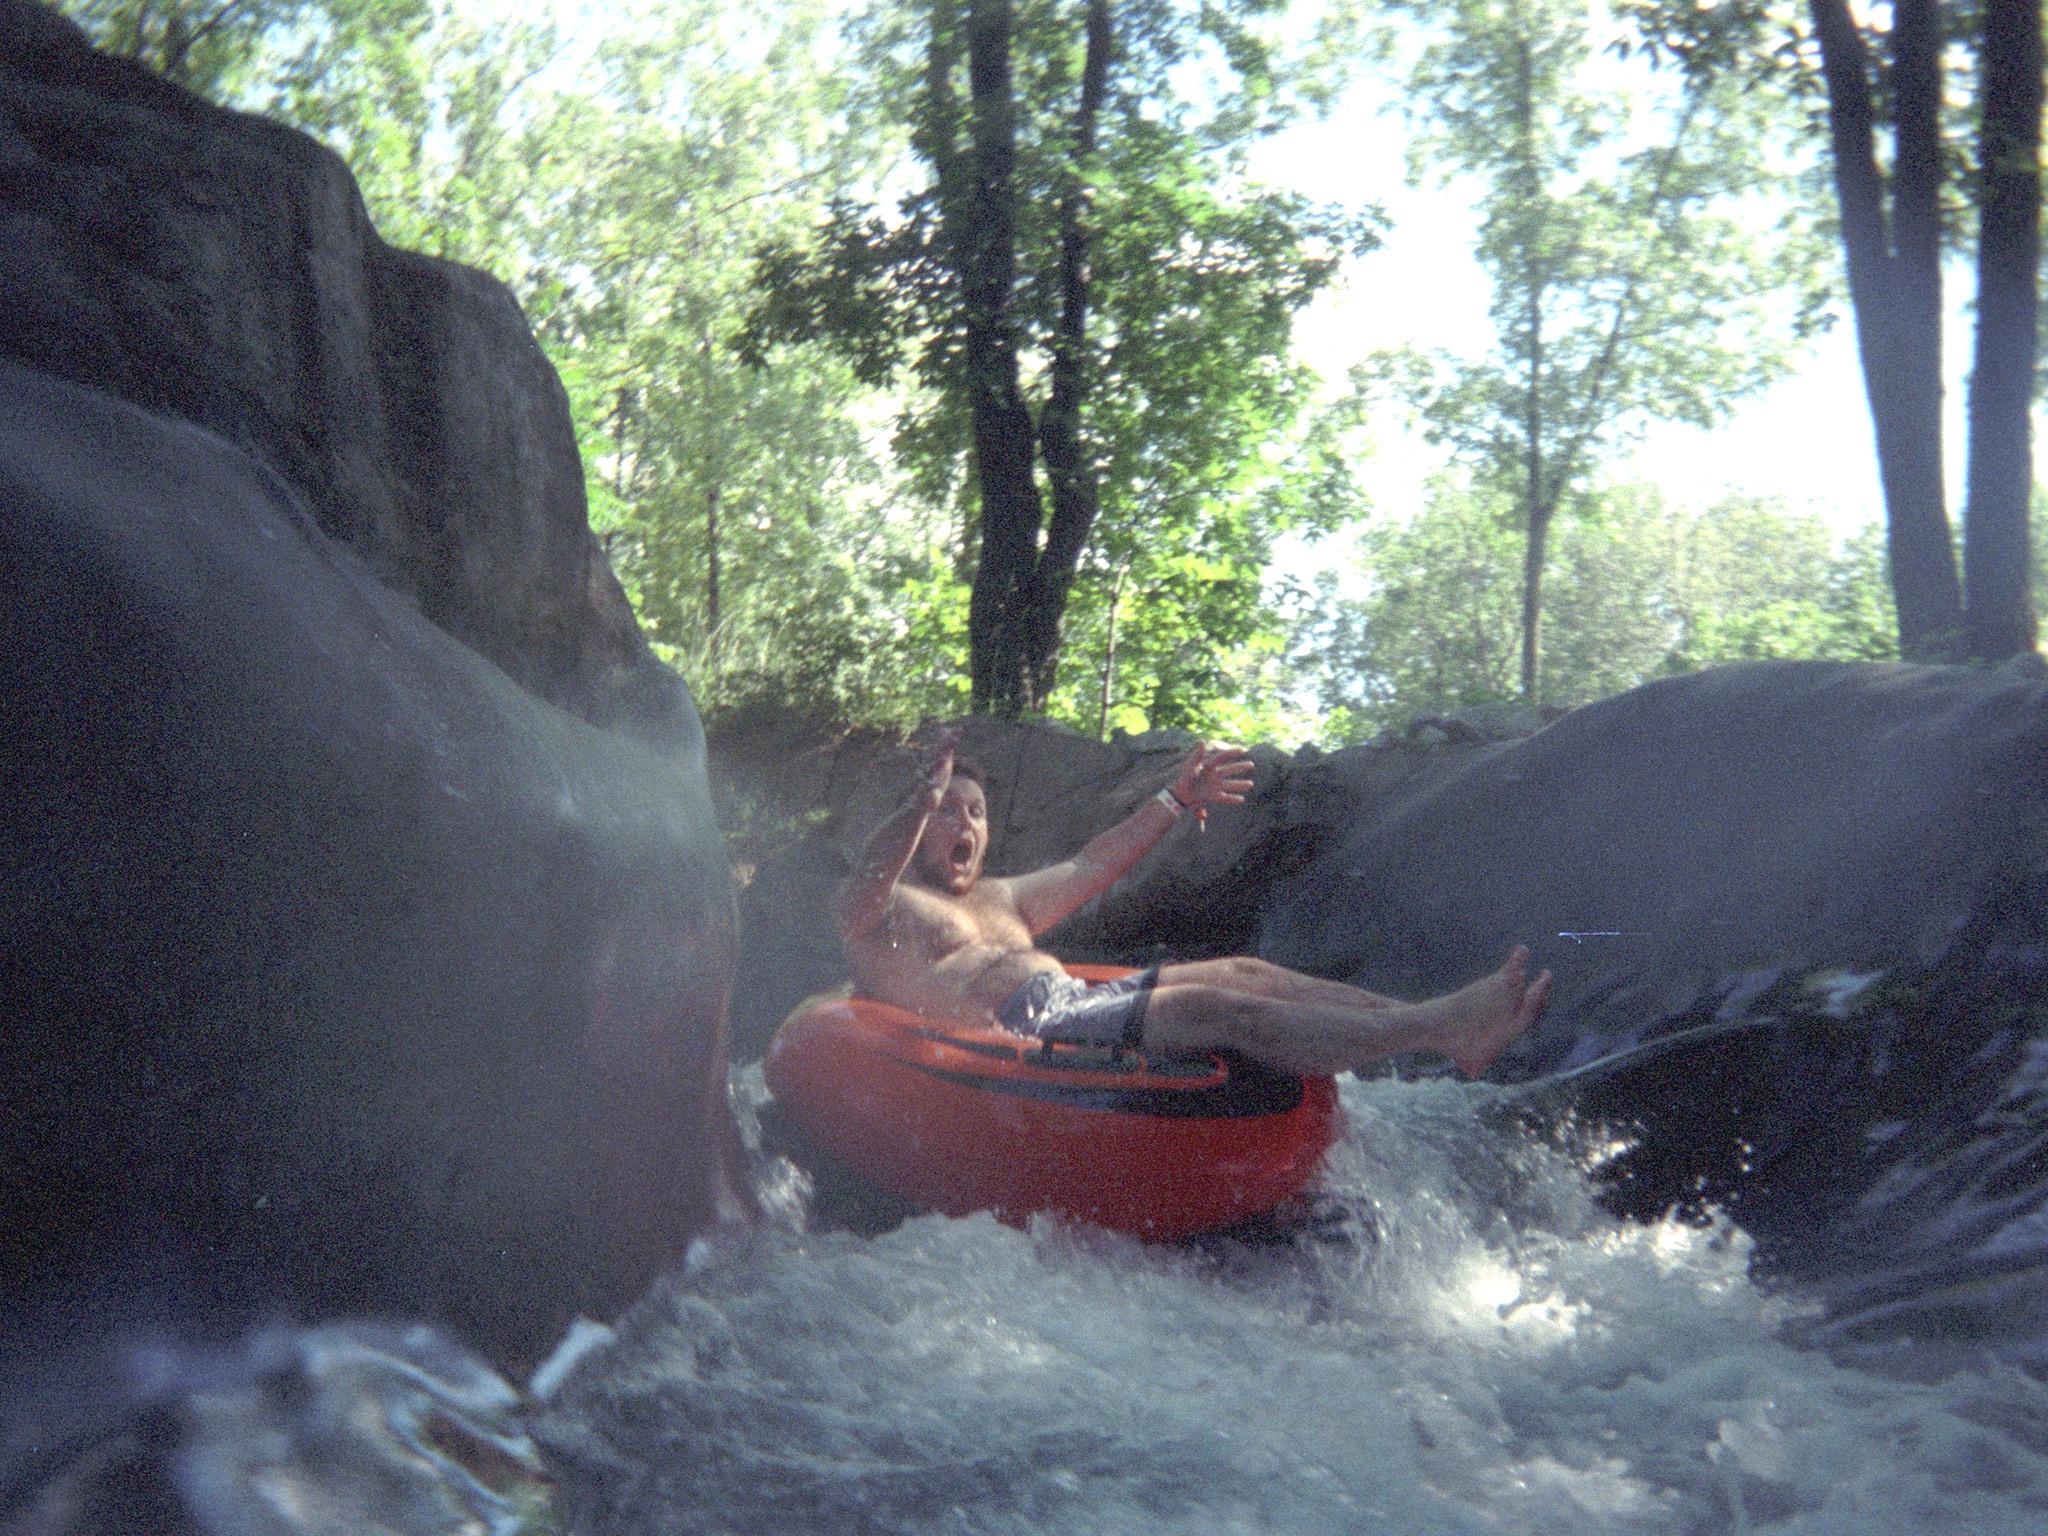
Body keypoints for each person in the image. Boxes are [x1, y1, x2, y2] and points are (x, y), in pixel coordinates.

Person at [835, 731, 1551, 1078]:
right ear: (915, 823)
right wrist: (919, 800)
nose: (965, 825)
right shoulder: (881, 908)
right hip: (1022, 1029)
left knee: (1243, 972)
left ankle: (1442, 1025)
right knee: (1215, 1012)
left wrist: (1174, 798)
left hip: (1071, 998)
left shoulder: (1003, 898)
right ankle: (1442, 1028)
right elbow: (871, 871)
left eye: (977, 812)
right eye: (948, 812)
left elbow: (1094, 861)